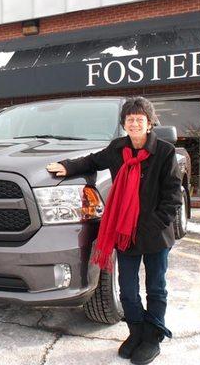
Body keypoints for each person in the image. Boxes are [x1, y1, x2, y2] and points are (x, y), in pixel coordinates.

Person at [46, 97, 181, 365]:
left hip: (155, 234)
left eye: (139, 119)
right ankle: (136, 331)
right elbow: (92, 161)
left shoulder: (164, 153)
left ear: (149, 122)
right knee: (127, 290)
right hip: (124, 233)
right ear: (124, 124)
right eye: (129, 119)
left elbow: (173, 198)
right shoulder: (118, 149)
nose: (134, 123)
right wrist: (68, 166)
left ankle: (152, 337)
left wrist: (152, 225)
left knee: (156, 287)